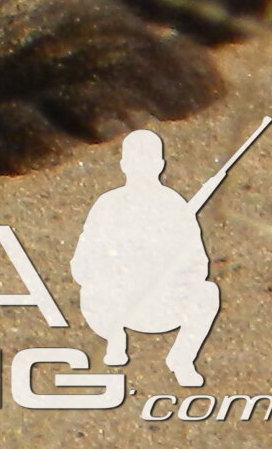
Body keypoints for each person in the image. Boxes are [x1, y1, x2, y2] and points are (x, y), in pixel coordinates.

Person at [70, 127, 225, 389]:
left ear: (160, 164)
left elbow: (199, 264)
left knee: (207, 293)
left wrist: (169, 266)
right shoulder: (108, 205)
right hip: (117, 305)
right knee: (89, 293)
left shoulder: (174, 206)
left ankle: (182, 358)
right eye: (135, 160)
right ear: (124, 164)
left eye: (147, 160)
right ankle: (115, 339)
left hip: (166, 303)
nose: (141, 166)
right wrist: (119, 269)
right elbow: (82, 262)